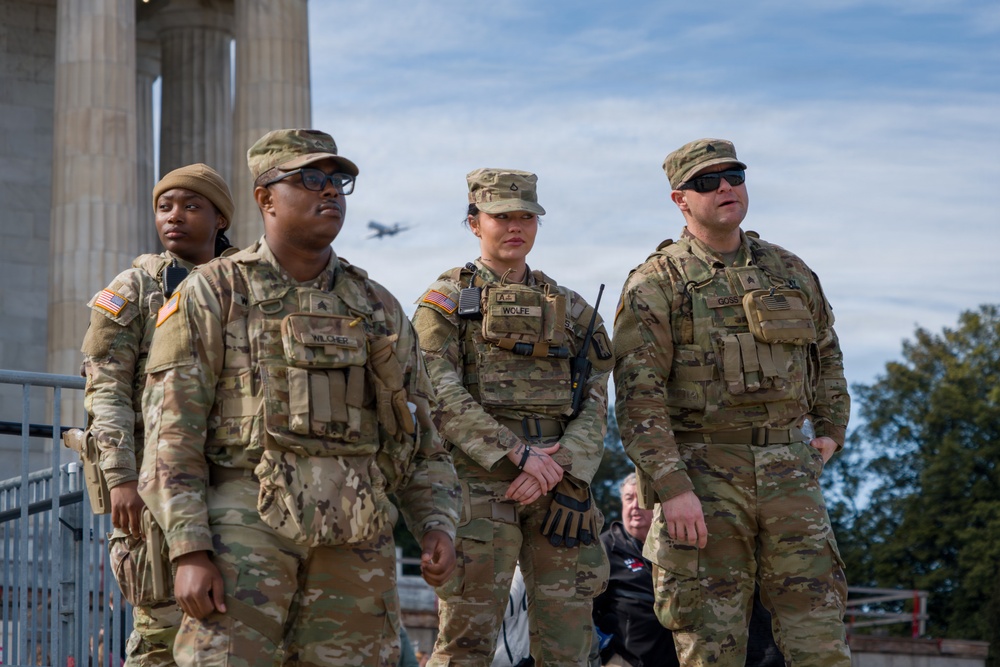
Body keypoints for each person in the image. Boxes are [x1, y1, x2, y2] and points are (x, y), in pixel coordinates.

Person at [139, 129, 461, 666]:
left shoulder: (375, 305)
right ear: (266, 197)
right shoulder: (215, 292)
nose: (330, 191)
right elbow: (172, 431)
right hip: (243, 535)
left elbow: (421, 431)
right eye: (311, 179)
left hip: (357, 542)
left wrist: (436, 522)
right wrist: (189, 547)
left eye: (338, 181)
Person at [613, 138, 850, 667]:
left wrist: (829, 436)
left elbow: (828, 357)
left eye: (734, 176)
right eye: (706, 181)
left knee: (821, 639)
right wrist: (672, 489)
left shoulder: (788, 270)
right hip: (703, 480)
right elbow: (637, 398)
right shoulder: (657, 282)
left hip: (792, 474)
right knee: (710, 644)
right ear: (680, 199)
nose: (725, 188)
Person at [413, 168, 613, 667]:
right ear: (474, 222)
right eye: (501, 216)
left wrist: (561, 464)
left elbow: (596, 397)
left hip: (561, 490)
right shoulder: (444, 302)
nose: (514, 226)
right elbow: (436, 391)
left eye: (526, 216)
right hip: (480, 486)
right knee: (465, 644)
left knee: (569, 647)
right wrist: (516, 454)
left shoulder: (572, 310)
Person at [81, 162, 235, 666]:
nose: (175, 217)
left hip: (235, 480)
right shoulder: (136, 287)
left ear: (219, 220)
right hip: (154, 483)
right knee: (160, 635)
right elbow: (105, 388)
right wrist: (120, 475)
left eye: (191, 206)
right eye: (165, 207)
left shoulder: (245, 284)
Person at [593, 474, 785, 667]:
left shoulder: (688, 540)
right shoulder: (606, 549)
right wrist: (607, 655)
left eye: (641, 499)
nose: (634, 506)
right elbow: (586, 609)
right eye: (628, 499)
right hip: (630, 661)